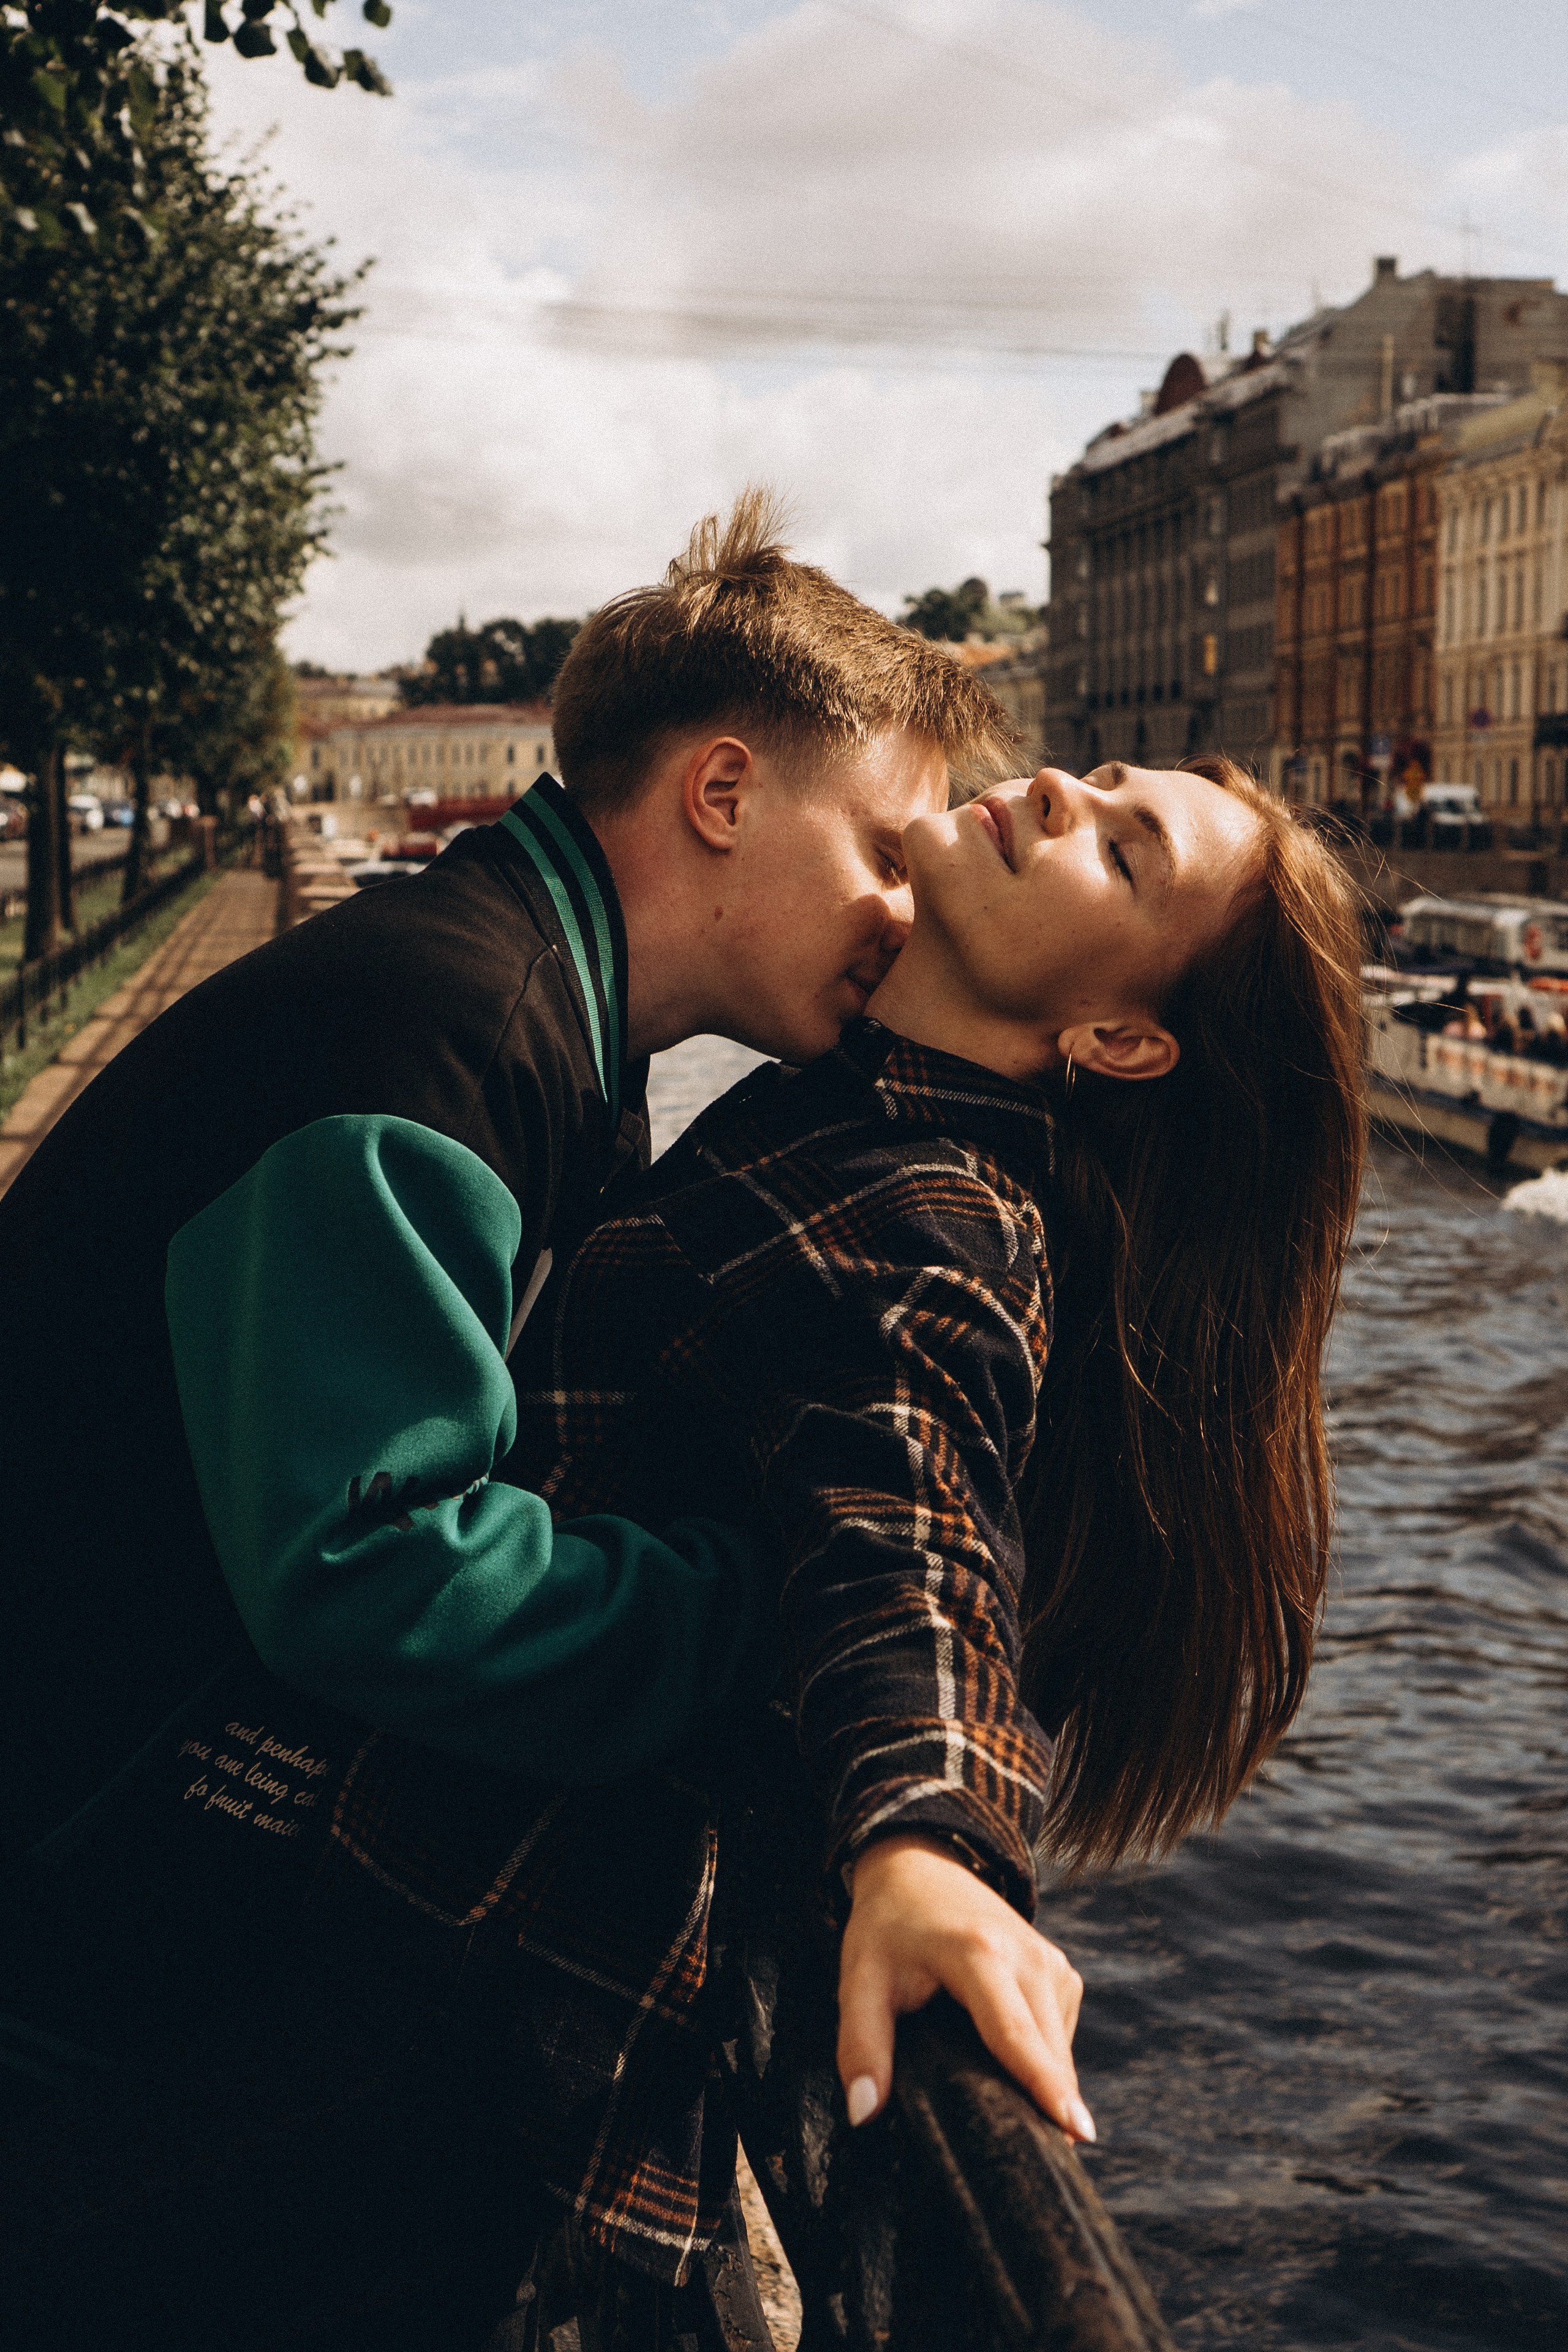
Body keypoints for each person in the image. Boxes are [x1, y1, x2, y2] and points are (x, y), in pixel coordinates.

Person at [0, 495, 1014, 2349]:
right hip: (66, 1878)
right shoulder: (435, 1037)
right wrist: (755, 1610)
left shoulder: (523, 1014)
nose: (910, 900)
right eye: (883, 844)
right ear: (723, 792)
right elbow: (375, 1567)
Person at [495, 751, 1368, 2328]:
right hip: (507, 1968)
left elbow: (909, 1519)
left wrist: (933, 1842)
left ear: (1115, 1038)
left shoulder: (937, 1224)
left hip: (497, 2042)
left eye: (1121, 848)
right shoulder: (858, 1105)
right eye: (1098, 778)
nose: (1054, 793)